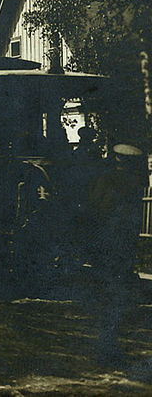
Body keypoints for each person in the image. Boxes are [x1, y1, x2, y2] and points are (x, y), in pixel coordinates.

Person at [84, 142, 147, 365]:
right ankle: (109, 348)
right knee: (117, 298)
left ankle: (105, 347)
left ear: (117, 159)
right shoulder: (134, 184)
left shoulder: (103, 180)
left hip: (104, 245)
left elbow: (92, 211)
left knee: (107, 296)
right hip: (122, 247)